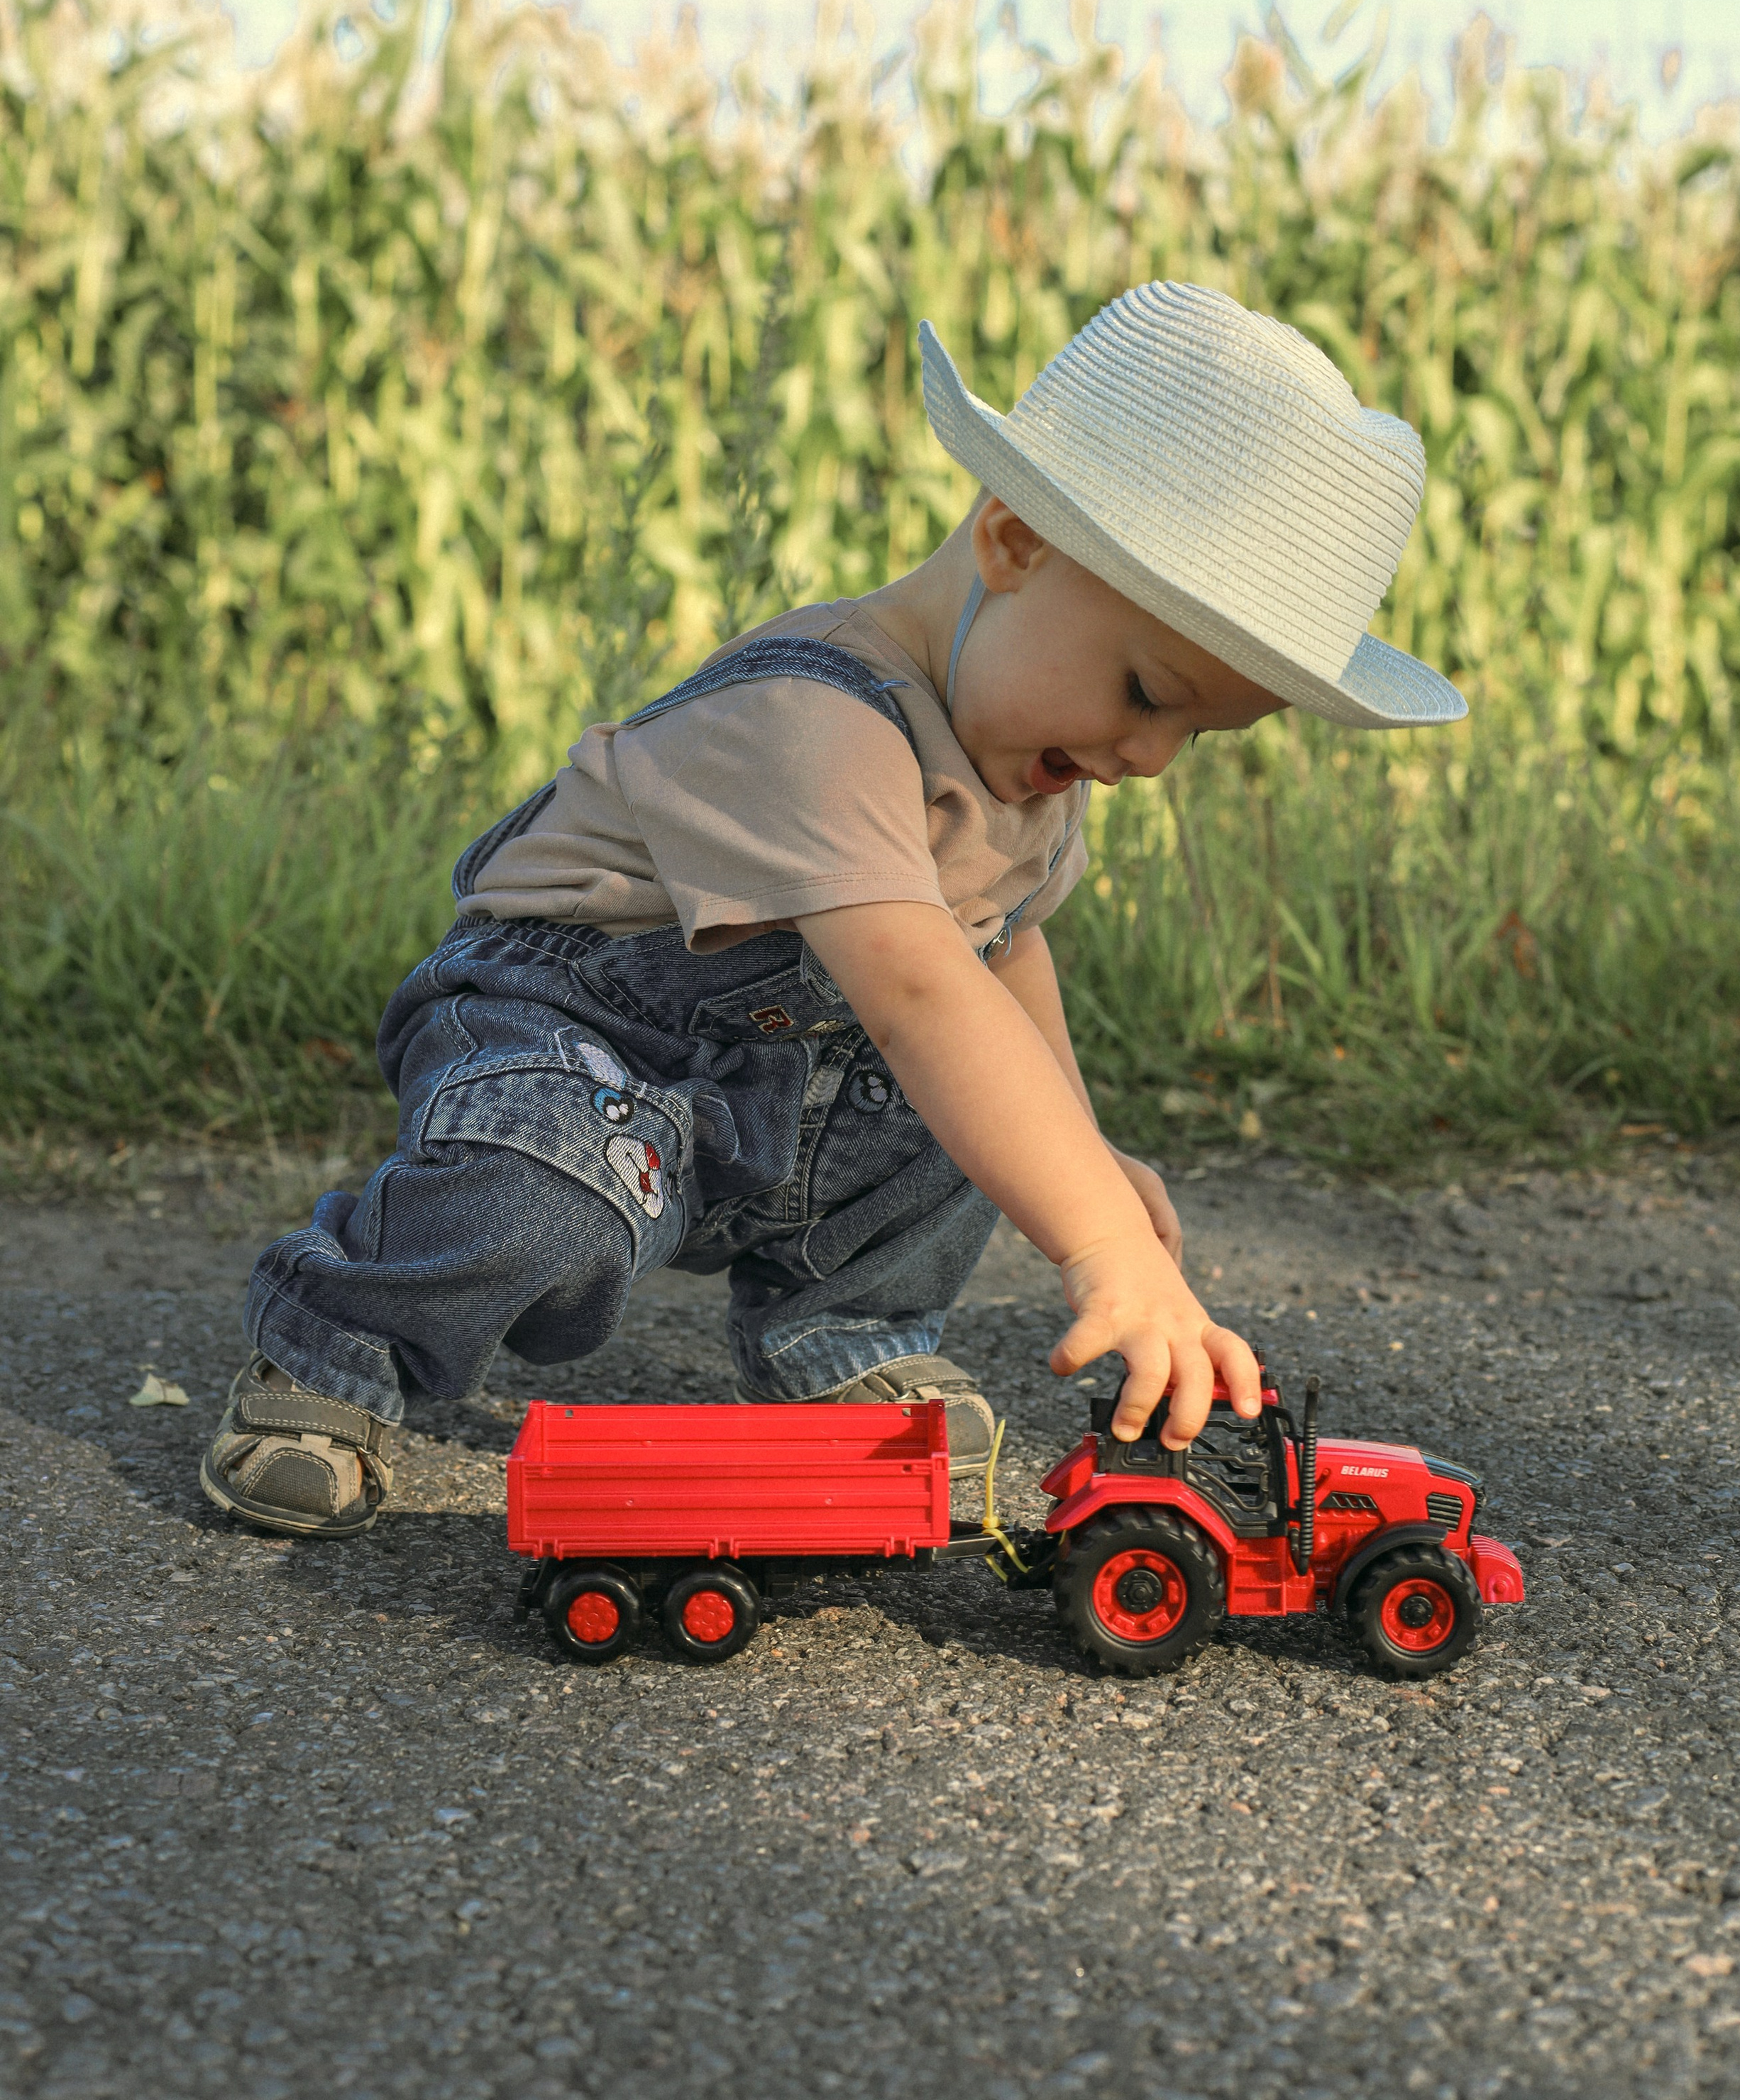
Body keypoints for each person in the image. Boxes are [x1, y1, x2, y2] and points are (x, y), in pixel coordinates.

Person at [203, 278, 1463, 1538]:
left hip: (790, 1081)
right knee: (535, 1200)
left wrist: (1081, 1151)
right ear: (1015, 541)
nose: (1150, 759)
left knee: (978, 1119)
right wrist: (1101, 1249)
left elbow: (998, 954)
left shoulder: (1031, 766)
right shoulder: (813, 718)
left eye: (1198, 734)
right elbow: (919, 991)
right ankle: (339, 1344)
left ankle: (844, 1331)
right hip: (572, 1039)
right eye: (1146, 693)